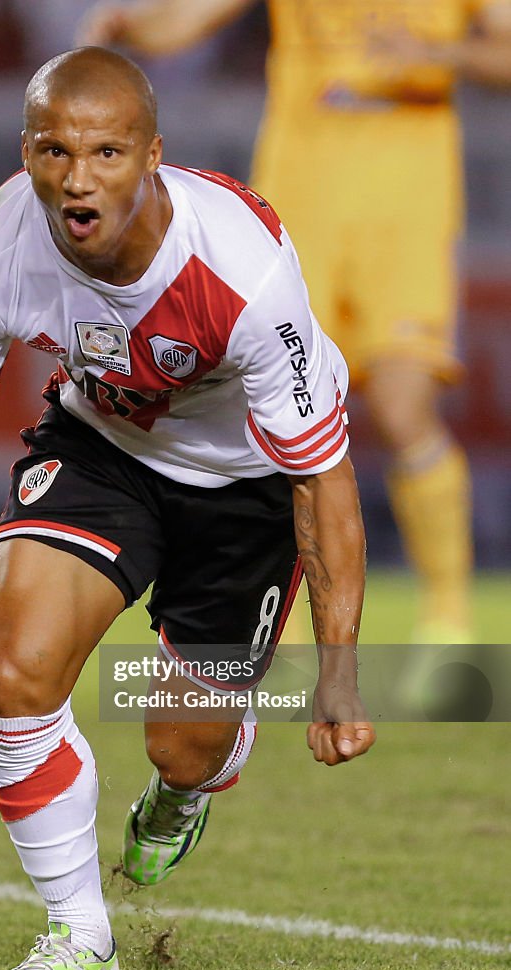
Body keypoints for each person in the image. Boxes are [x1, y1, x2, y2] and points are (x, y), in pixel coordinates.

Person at [0, 46, 375, 970]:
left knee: (180, 743)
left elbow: (322, 480)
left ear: (154, 154)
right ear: (25, 152)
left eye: (107, 153)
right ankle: (79, 941)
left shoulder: (241, 270)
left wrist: (340, 672)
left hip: (245, 489)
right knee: (12, 667)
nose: (78, 179)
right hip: (100, 449)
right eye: (54, 151)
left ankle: (190, 787)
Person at [81, 0, 511, 644]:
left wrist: (440, 54)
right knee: (268, 419)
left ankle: (448, 621)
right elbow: (186, 21)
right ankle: (284, 623)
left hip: (406, 215)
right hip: (297, 213)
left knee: (402, 408)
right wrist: (125, 28)